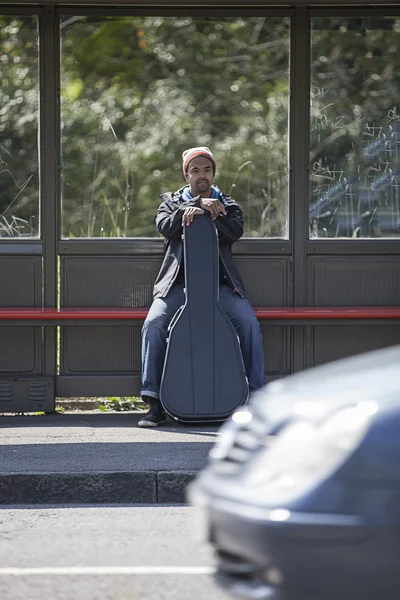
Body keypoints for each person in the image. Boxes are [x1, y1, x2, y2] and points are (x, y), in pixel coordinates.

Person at [138, 147, 265, 427]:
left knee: (248, 324)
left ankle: (256, 399)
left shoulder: (228, 204)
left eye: (207, 169)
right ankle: (154, 402)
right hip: (177, 287)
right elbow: (164, 226)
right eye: (195, 170)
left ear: (213, 173)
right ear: (186, 175)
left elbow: (235, 232)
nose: (201, 175)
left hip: (219, 288)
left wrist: (212, 212)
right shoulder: (171, 203)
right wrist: (193, 207)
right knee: (154, 325)